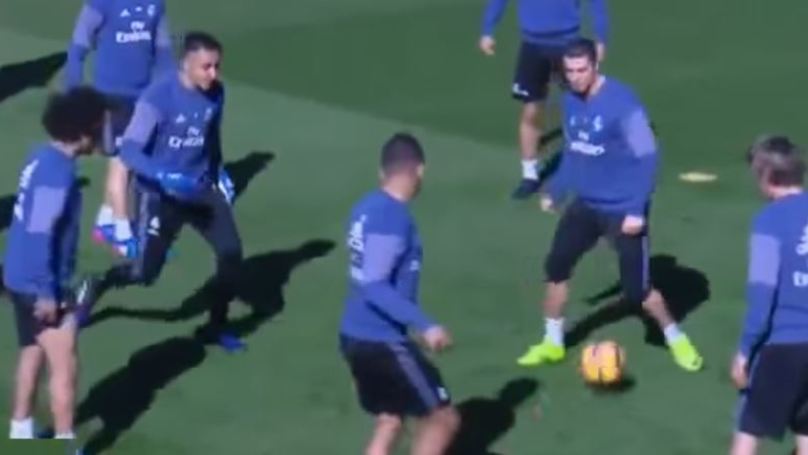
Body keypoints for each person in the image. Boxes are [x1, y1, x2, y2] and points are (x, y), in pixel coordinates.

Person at [516, 38, 703, 372]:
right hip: (586, 205)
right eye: (570, 71)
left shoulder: (622, 103)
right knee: (556, 267)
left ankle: (676, 338)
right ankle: (552, 342)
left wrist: (636, 210)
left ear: (595, 66)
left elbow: (648, 157)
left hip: (622, 209)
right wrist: (556, 190)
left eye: (581, 70)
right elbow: (574, 150)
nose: (575, 77)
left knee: (637, 291)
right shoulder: (570, 100)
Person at [75, 31, 242, 352]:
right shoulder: (157, 98)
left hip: (201, 191)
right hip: (159, 196)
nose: (214, 74)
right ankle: (97, 283)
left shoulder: (216, 94)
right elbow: (130, 151)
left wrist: (218, 171)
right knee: (144, 273)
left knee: (231, 255)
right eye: (206, 67)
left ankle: (216, 325)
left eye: (217, 66)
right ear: (186, 63)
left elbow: (212, 136)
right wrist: (164, 175)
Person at [340, 133, 459, 455]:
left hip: (354, 335)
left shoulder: (365, 207)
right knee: (442, 417)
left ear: (382, 171)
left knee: (390, 418)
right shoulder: (391, 216)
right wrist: (426, 325)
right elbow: (374, 285)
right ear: (419, 170)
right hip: (380, 341)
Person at [4, 87, 108, 444]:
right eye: (98, 128)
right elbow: (39, 232)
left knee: (32, 350)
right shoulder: (57, 174)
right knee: (65, 364)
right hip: (39, 283)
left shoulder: (39, 156)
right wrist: (47, 292)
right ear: (82, 131)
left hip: (17, 276)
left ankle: (20, 427)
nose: (102, 134)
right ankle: (66, 442)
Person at [65, 0, 175, 258]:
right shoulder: (102, 3)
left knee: (127, 161)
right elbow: (79, 44)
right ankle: (123, 233)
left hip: (144, 97)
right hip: (111, 97)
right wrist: (74, 90)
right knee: (124, 161)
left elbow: (163, 50)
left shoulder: (155, 4)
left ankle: (106, 220)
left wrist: (171, 89)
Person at [479, 0, 609, 199]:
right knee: (531, 110)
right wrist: (488, 29)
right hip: (533, 46)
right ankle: (529, 175)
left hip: (568, 43)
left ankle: (594, 165)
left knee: (584, 105)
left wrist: (601, 37)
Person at [730, 136, 808, 455]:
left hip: (784, 348)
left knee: (749, 429)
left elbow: (762, 295)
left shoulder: (769, 221)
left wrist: (744, 351)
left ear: (766, 176)